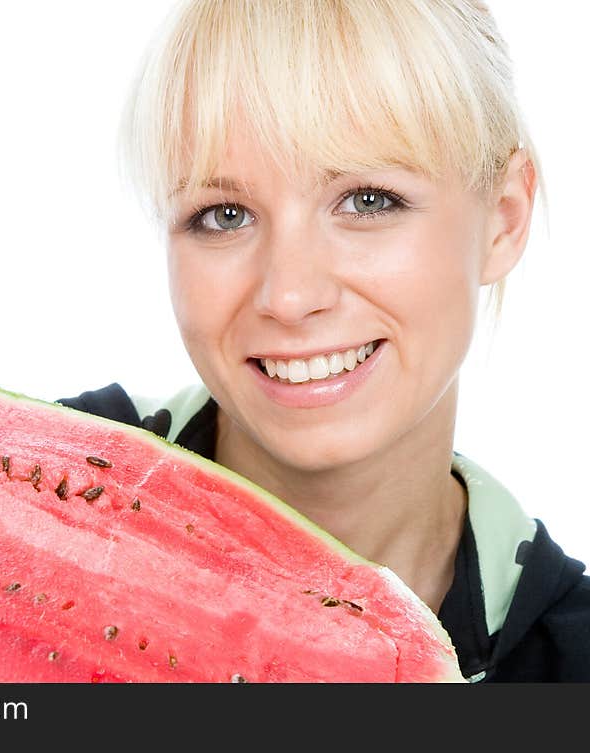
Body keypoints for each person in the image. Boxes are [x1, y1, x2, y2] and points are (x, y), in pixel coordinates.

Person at [57, 0, 590, 682]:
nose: (288, 294)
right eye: (225, 214)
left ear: (504, 220)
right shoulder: (19, 485)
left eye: (368, 200)